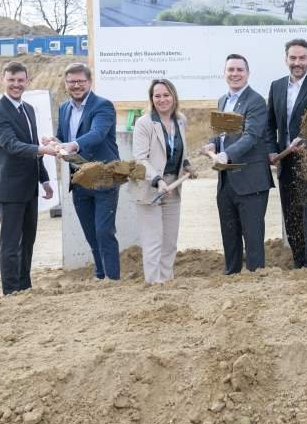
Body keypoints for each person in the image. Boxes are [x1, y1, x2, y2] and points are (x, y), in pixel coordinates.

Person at [0, 61, 56, 295]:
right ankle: (11, 292)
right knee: (10, 244)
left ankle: (25, 288)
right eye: (11, 80)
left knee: (28, 242)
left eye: (20, 80)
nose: (16, 84)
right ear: (3, 80)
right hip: (10, 188)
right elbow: (12, 145)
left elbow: (32, 144)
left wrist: (44, 179)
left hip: (30, 187)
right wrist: (44, 150)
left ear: (27, 81)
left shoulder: (28, 109)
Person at [203, 54, 273, 274]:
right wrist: (213, 144)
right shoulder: (223, 100)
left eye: (239, 70)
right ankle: (231, 276)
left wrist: (227, 154)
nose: (235, 74)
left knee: (253, 238)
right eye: (230, 70)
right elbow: (222, 133)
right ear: (224, 73)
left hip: (251, 181)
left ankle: (256, 279)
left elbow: (251, 136)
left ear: (248, 73)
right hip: (226, 181)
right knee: (229, 236)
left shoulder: (256, 101)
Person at [51, 62, 121, 280]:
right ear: (65, 84)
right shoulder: (64, 108)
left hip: (103, 177)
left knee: (104, 231)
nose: (76, 85)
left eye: (80, 81)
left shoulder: (103, 106)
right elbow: (63, 138)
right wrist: (54, 142)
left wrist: (72, 145)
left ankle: (113, 278)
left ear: (90, 82)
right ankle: (100, 275)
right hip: (79, 179)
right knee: (91, 234)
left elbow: (98, 134)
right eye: (71, 82)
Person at [266, 39, 307, 269]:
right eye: (293, 58)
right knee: (292, 217)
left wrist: (303, 138)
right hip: (285, 161)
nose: (297, 62)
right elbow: (270, 123)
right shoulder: (276, 86)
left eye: (302, 58)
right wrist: (272, 149)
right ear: (286, 59)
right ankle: (299, 264)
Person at [132, 79, 196, 284]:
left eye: (166, 95)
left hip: (173, 187)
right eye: (157, 96)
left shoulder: (181, 120)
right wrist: (157, 180)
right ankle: (154, 284)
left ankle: (167, 282)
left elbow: (179, 150)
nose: (162, 99)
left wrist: (186, 165)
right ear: (151, 99)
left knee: (169, 242)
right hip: (151, 188)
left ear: (174, 97)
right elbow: (140, 158)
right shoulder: (144, 123)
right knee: (153, 242)